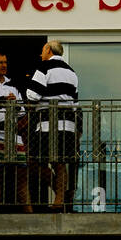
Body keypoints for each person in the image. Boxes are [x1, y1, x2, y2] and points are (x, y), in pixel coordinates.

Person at [26, 39, 80, 213]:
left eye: (42, 50)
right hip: (68, 124)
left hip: (47, 124)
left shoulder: (44, 68)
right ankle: (62, 197)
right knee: (60, 162)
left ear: (48, 49)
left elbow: (32, 95)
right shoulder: (72, 73)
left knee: (37, 161)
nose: (41, 54)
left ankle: (59, 197)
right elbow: (74, 101)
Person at [0, 51, 30, 211]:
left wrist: (15, 106)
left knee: (21, 173)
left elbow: (23, 113)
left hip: (13, 134)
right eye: (0, 62)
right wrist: (3, 101)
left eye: (5, 62)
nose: (4, 65)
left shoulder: (14, 85)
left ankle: (28, 209)